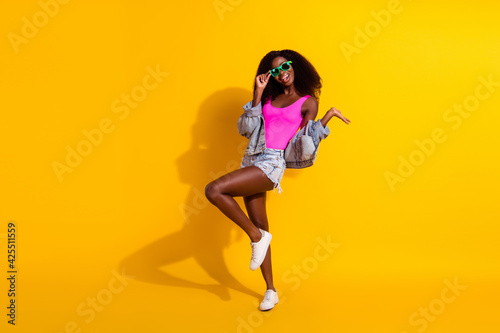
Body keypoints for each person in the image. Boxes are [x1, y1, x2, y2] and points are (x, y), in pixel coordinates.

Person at [205, 49, 350, 311]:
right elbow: (246, 129)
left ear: (296, 67)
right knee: (262, 225)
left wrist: (327, 118)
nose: (281, 73)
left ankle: (255, 237)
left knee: (214, 190)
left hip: (272, 164)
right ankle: (271, 290)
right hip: (251, 159)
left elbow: (305, 141)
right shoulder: (269, 97)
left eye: (285, 66)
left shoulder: (308, 102)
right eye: (274, 70)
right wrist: (258, 93)